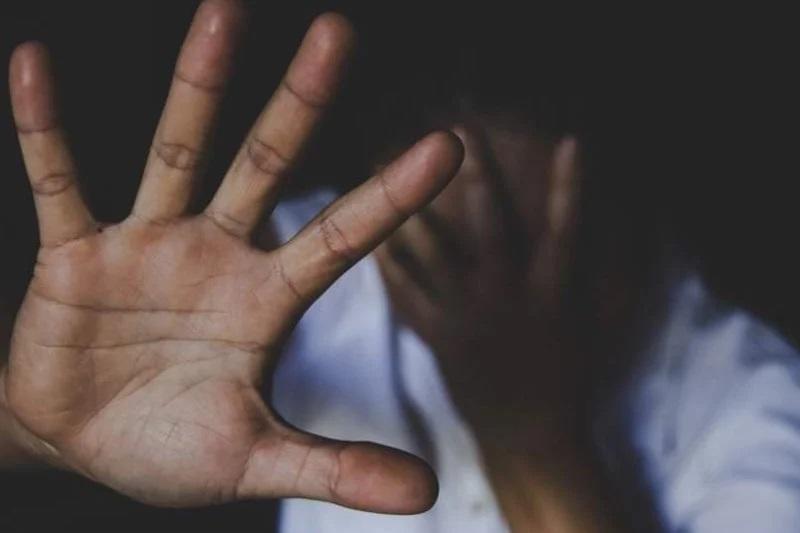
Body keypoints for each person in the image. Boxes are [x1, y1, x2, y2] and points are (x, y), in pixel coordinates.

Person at [3, 2, 800, 533]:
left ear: (627, 211)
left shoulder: (755, 404)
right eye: (447, 253)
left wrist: (528, 431)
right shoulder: (294, 269)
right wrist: (34, 428)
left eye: (532, 247)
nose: (487, 301)